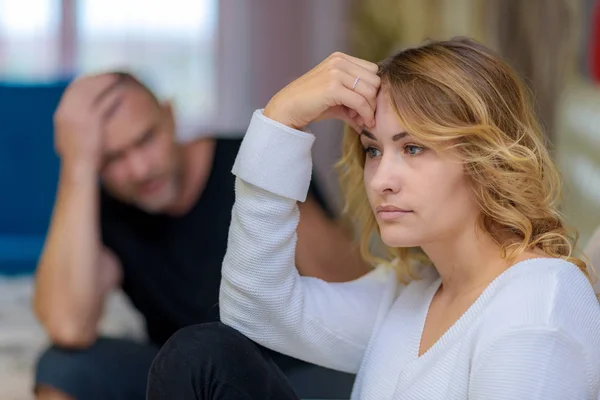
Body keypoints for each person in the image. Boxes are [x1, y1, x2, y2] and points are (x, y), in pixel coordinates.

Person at [147, 37, 600, 400]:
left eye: (414, 148)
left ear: (487, 159)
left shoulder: (539, 300)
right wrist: (280, 121)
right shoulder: (413, 291)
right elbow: (254, 310)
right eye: (373, 150)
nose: (382, 179)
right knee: (199, 356)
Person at [32, 72, 366, 400]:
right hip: (185, 372)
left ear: (170, 117)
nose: (139, 169)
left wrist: (276, 179)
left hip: (289, 372)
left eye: (146, 139)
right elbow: (68, 326)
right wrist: (77, 166)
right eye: (112, 158)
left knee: (352, 381)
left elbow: (353, 296)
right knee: (63, 366)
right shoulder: (111, 209)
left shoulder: (253, 157)